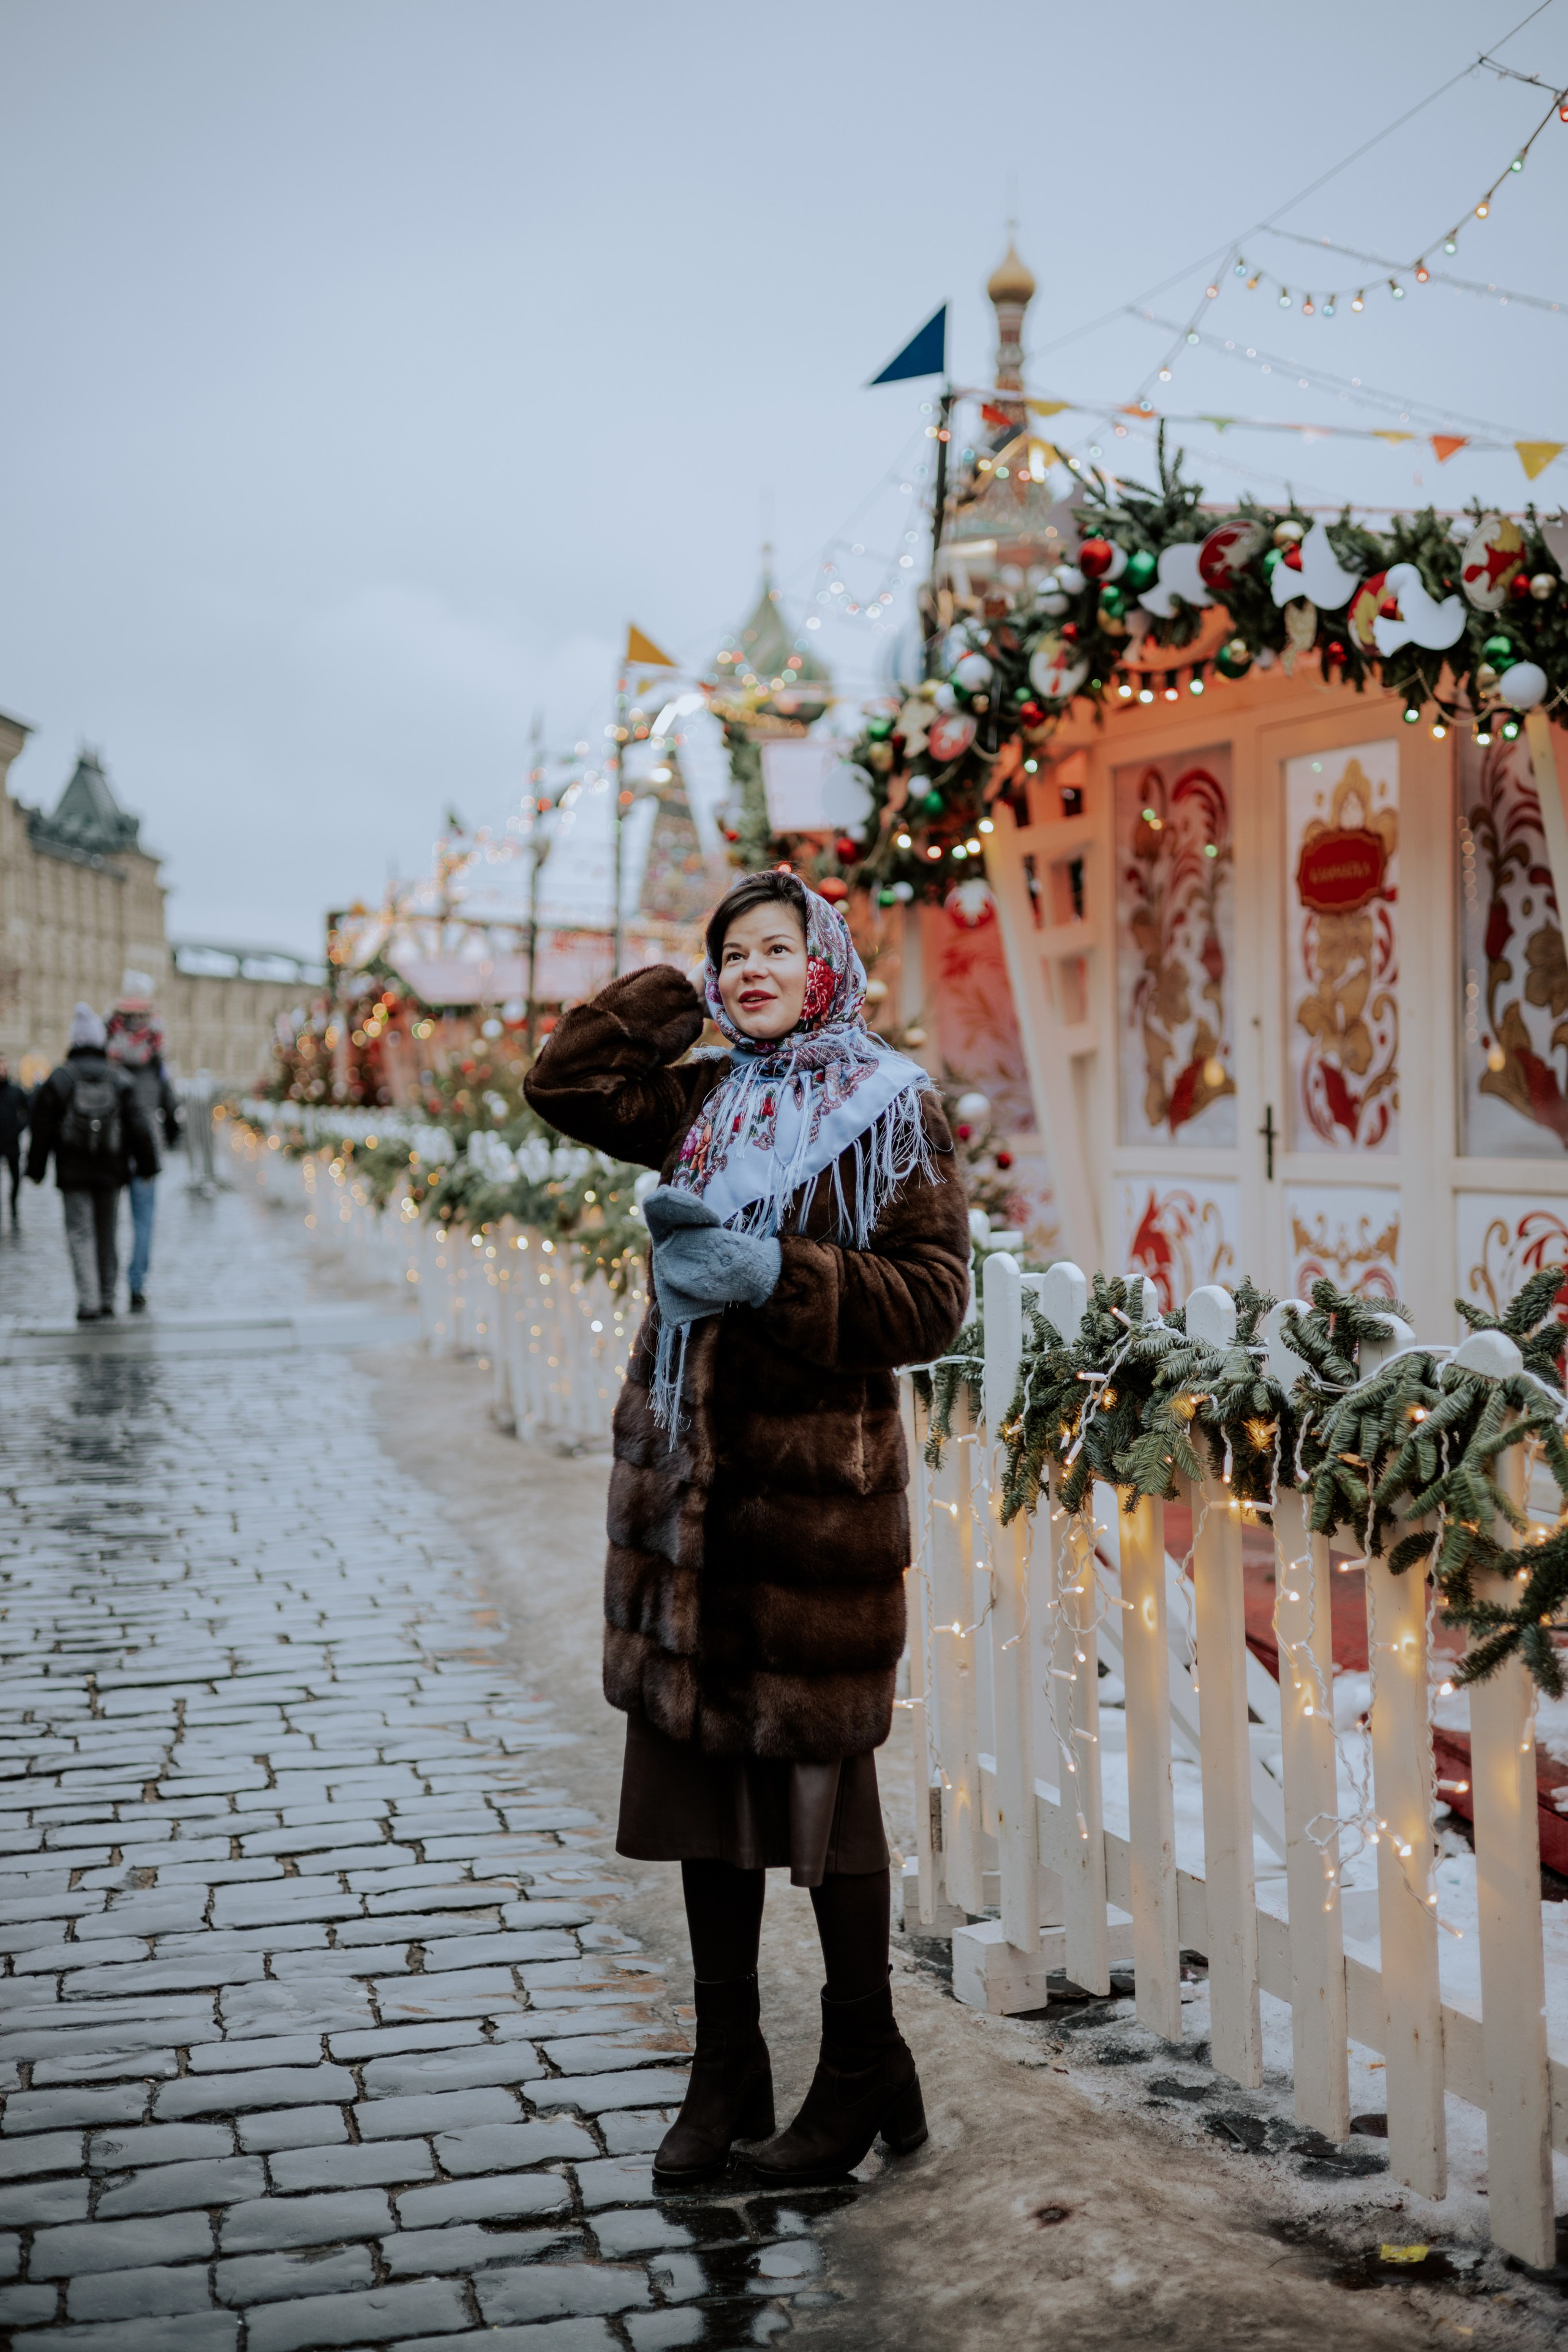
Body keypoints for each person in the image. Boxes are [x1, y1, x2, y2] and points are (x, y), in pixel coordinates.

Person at [525, 872, 970, 2187]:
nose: (755, 968)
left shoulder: (888, 1109)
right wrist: (673, 995)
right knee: (693, 1797)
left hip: (811, 1521)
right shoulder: (705, 1098)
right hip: (683, 1510)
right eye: (733, 953)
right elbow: (563, 1083)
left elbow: (933, 1300)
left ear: (826, 963)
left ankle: (854, 2065)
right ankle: (726, 2066)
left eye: (780, 947)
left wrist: (779, 1275)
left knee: (827, 1815)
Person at [27, 1003, 157, 1321]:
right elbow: (138, 1125)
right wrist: (147, 1165)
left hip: (73, 1171)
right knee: (107, 1233)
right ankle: (109, 1298)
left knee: (80, 1233)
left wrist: (36, 1167)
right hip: (111, 1170)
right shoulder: (119, 1077)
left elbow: (42, 1127)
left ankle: (88, 1300)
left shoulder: (61, 1078)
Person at [105, 971, 182, 1310]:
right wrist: (172, 1133)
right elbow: (169, 1099)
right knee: (144, 1219)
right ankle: (136, 1284)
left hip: (111, 1143)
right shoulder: (155, 1055)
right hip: (146, 1145)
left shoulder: (109, 1049)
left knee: (105, 1220)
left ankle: (105, 1286)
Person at [0, 1057, 29, 1225]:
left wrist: (19, 1127)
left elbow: (28, 1110)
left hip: (11, 1142)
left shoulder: (15, 1091)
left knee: (15, 1176)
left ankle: (13, 1204)